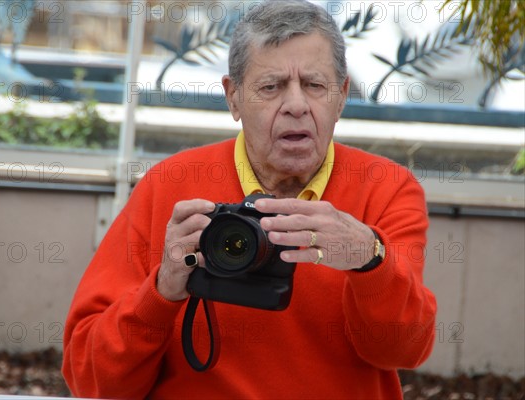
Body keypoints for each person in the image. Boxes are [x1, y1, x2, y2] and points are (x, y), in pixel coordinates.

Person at [62, 1, 437, 398]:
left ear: (342, 96)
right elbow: (91, 378)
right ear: (233, 98)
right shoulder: (171, 186)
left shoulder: (387, 187)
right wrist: (161, 292)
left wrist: (370, 260)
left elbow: (405, 350)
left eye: (314, 85)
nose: (296, 105)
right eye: (271, 87)